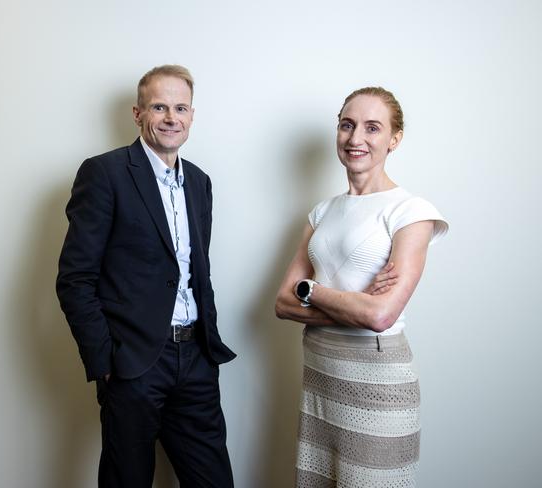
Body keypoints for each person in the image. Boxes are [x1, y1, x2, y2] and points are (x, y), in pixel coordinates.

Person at [56, 65, 236, 488]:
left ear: (192, 115)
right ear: (138, 114)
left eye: (180, 108)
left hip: (195, 359)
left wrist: (206, 349)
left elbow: (195, 270)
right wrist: (105, 362)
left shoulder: (200, 182)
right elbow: (74, 278)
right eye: (159, 107)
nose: (171, 117)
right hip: (133, 365)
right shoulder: (105, 174)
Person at [275, 87, 448, 487]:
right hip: (321, 373)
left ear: (395, 138)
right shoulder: (323, 211)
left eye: (373, 128)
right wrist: (349, 304)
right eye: (347, 125)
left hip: (377, 379)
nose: (356, 139)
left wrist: (311, 290)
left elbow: (380, 314)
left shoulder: (411, 211)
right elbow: (282, 303)